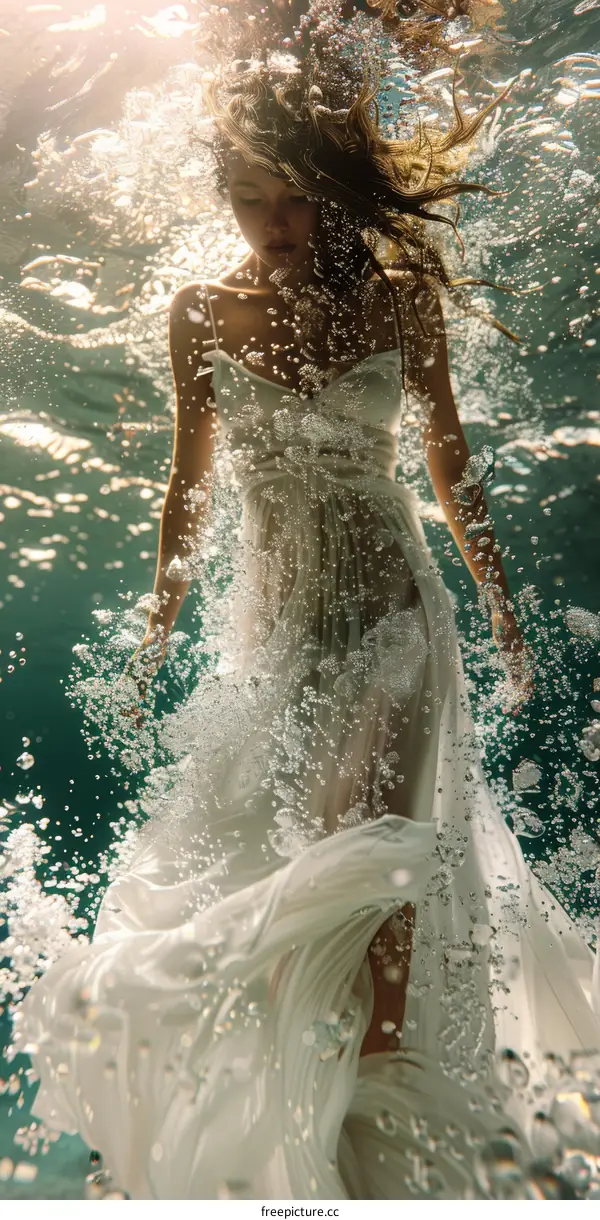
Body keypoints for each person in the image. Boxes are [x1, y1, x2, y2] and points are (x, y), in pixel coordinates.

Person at [11, 58, 600, 1201]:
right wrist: (154, 631)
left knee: (364, 829)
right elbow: (185, 491)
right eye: (245, 197)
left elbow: (448, 461)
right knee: (274, 849)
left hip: (396, 614)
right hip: (277, 630)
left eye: (288, 194)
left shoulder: (399, 299)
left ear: (329, 191)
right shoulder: (199, 313)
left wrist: (500, 602)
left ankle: (382, 1090)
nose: (269, 222)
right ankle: (292, 1110)